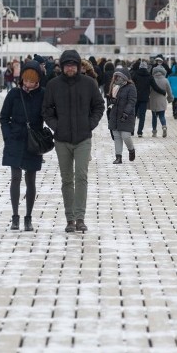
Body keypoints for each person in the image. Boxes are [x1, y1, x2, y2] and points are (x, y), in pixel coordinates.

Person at [42, 49, 105, 233]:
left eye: (73, 65)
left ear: (78, 66)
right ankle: (69, 218)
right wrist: (57, 126)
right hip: (62, 139)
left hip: (83, 138)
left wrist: (89, 124)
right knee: (67, 179)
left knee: (81, 177)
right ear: (62, 67)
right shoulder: (54, 85)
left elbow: (98, 106)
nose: (70, 68)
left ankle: (80, 217)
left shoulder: (89, 83)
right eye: (67, 65)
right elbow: (46, 110)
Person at [0, 60, 47, 232]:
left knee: (31, 180)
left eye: (32, 81)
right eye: (26, 80)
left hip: (33, 141)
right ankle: (15, 216)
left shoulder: (43, 94)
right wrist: (7, 136)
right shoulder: (14, 94)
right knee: (16, 177)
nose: (28, 84)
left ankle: (28, 217)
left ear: (38, 80)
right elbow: (4, 117)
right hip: (15, 139)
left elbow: (49, 114)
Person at [107, 67, 136, 164]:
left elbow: (131, 102)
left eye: (119, 76)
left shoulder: (131, 87)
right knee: (116, 136)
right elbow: (110, 99)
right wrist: (111, 100)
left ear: (124, 77)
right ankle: (118, 157)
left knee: (125, 135)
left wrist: (126, 113)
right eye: (116, 76)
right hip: (115, 114)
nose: (117, 78)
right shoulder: (114, 86)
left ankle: (131, 150)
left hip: (126, 115)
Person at [148, 64, 173, 137]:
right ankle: (164, 126)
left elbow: (149, 90)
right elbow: (169, 91)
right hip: (162, 100)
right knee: (162, 115)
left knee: (154, 116)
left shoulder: (152, 79)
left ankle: (154, 132)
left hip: (153, 100)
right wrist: (170, 98)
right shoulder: (165, 80)